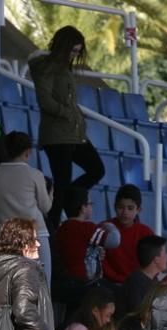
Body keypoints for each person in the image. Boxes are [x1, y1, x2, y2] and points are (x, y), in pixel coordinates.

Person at [29, 26, 105, 228]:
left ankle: (65, 201)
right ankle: (53, 224)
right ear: (63, 47)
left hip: (73, 133)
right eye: (73, 51)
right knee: (63, 181)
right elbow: (45, 100)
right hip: (57, 135)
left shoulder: (63, 68)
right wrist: (70, 114)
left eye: (77, 52)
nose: (74, 56)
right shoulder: (46, 67)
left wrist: (74, 116)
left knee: (96, 169)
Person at [0, 132, 53, 283]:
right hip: (35, 233)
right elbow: (45, 206)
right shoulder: (35, 174)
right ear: (28, 152)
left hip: (7, 236)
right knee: (42, 284)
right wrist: (51, 192)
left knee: (11, 286)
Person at [102, 185, 153, 285]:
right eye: (121, 207)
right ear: (114, 207)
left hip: (136, 284)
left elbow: (150, 265)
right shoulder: (104, 228)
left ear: (138, 210)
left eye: (130, 208)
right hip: (108, 283)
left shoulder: (146, 233)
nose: (125, 212)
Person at [118, 235, 167, 318]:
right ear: (156, 259)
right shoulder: (135, 283)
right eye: (165, 253)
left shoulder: (153, 281)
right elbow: (139, 316)